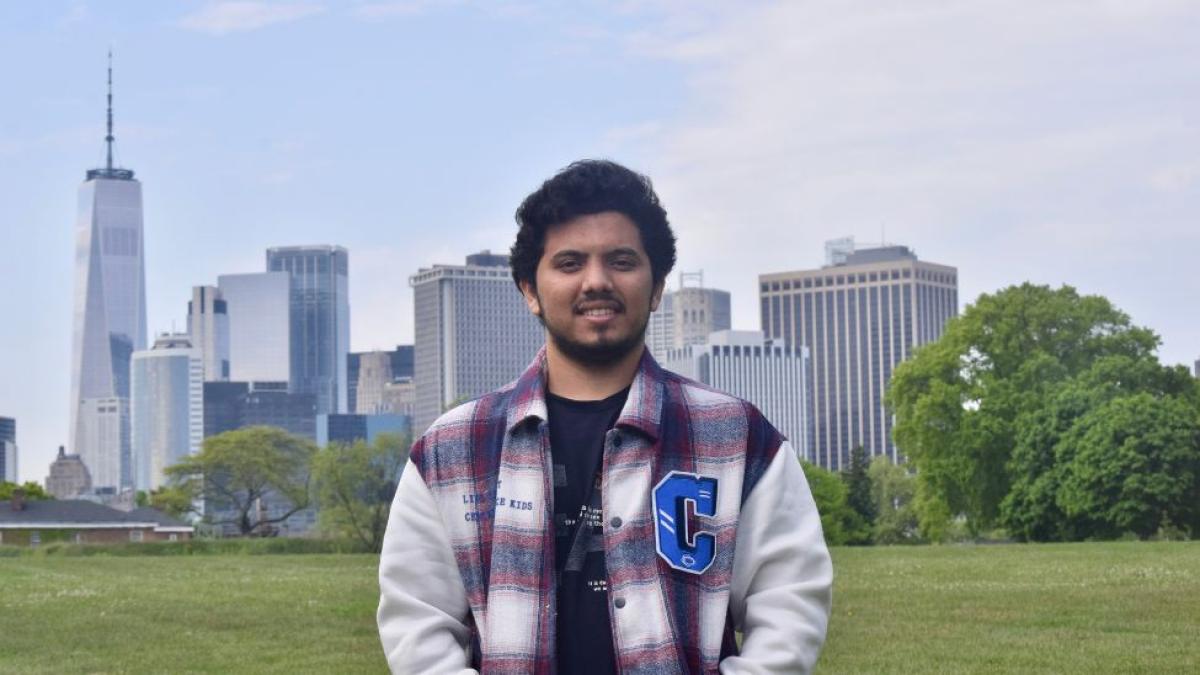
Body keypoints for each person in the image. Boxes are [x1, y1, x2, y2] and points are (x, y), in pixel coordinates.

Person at [377, 159, 832, 674]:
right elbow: (417, 622)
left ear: (657, 286)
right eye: (569, 263)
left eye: (621, 260)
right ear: (529, 290)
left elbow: (790, 603)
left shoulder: (736, 437)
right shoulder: (451, 449)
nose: (596, 281)